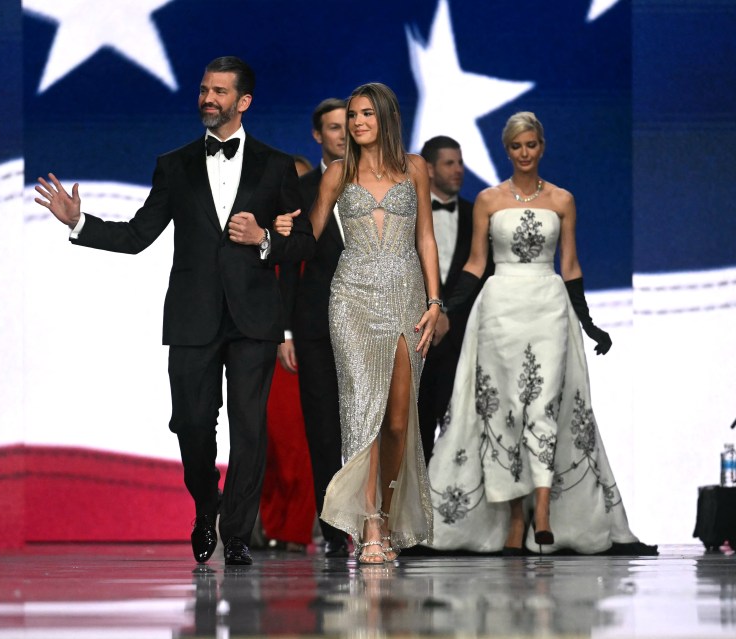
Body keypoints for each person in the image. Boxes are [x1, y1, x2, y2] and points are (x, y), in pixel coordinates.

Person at [32, 56, 315, 566]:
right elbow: (139, 235)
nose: (208, 98)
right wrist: (80, 223)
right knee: (190, 423)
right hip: (192, 314)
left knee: (250, 427)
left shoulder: (276, 166)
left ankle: (236, 533)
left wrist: (264, 239)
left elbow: (304, 244)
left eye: (220, 92)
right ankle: (206, 505)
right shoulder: (174, 163)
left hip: (254, 316)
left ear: (243, 102)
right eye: (204, 89)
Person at [427, 111, 650, 556]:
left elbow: (570, 266)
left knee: (544, 405)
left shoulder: (562, 200)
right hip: (499, 310)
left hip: (548, 307)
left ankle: (543, 515)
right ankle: (514, 520)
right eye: (516, 146)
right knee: (503, 411)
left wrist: (588, 322)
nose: (524, 153)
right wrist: (445, 310)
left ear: (541, 147)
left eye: (531, 145)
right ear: (506, 150)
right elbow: (474, 264)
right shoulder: (488, 201)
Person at [275, 83, 442, 564]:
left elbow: (427, 238)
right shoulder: (337, 173)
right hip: (350, 299)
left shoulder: (415, 168)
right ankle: (368, 526)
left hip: (407, 297)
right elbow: (310, 238)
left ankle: (386, 516)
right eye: (352, 116)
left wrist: (435, 301)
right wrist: (281, 234)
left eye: (366, 114)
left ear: (385, 116)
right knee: (362, 412)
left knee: (396, 420)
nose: (356, 123)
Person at [276, 98, 352, 558]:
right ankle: (333, 528)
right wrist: (285, 333)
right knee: (323, 426)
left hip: (373, 321)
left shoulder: (379, 181)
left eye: (350, 124)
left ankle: (377, 521)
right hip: (315, 322)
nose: (344, 133)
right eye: (334, 127)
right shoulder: (298, 189)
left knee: (372, 424)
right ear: (317, 135)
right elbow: (285, 267)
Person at [417, 136, 493, 462]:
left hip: (462, 340)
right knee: (414, 434)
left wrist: (448, 314)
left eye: (460, 162)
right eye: (450, 163)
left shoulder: (479, 214)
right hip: (417, 336)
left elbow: (486, 276)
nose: (459, 170)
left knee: (460, 433)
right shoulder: (406, 214)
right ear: (429, 169)